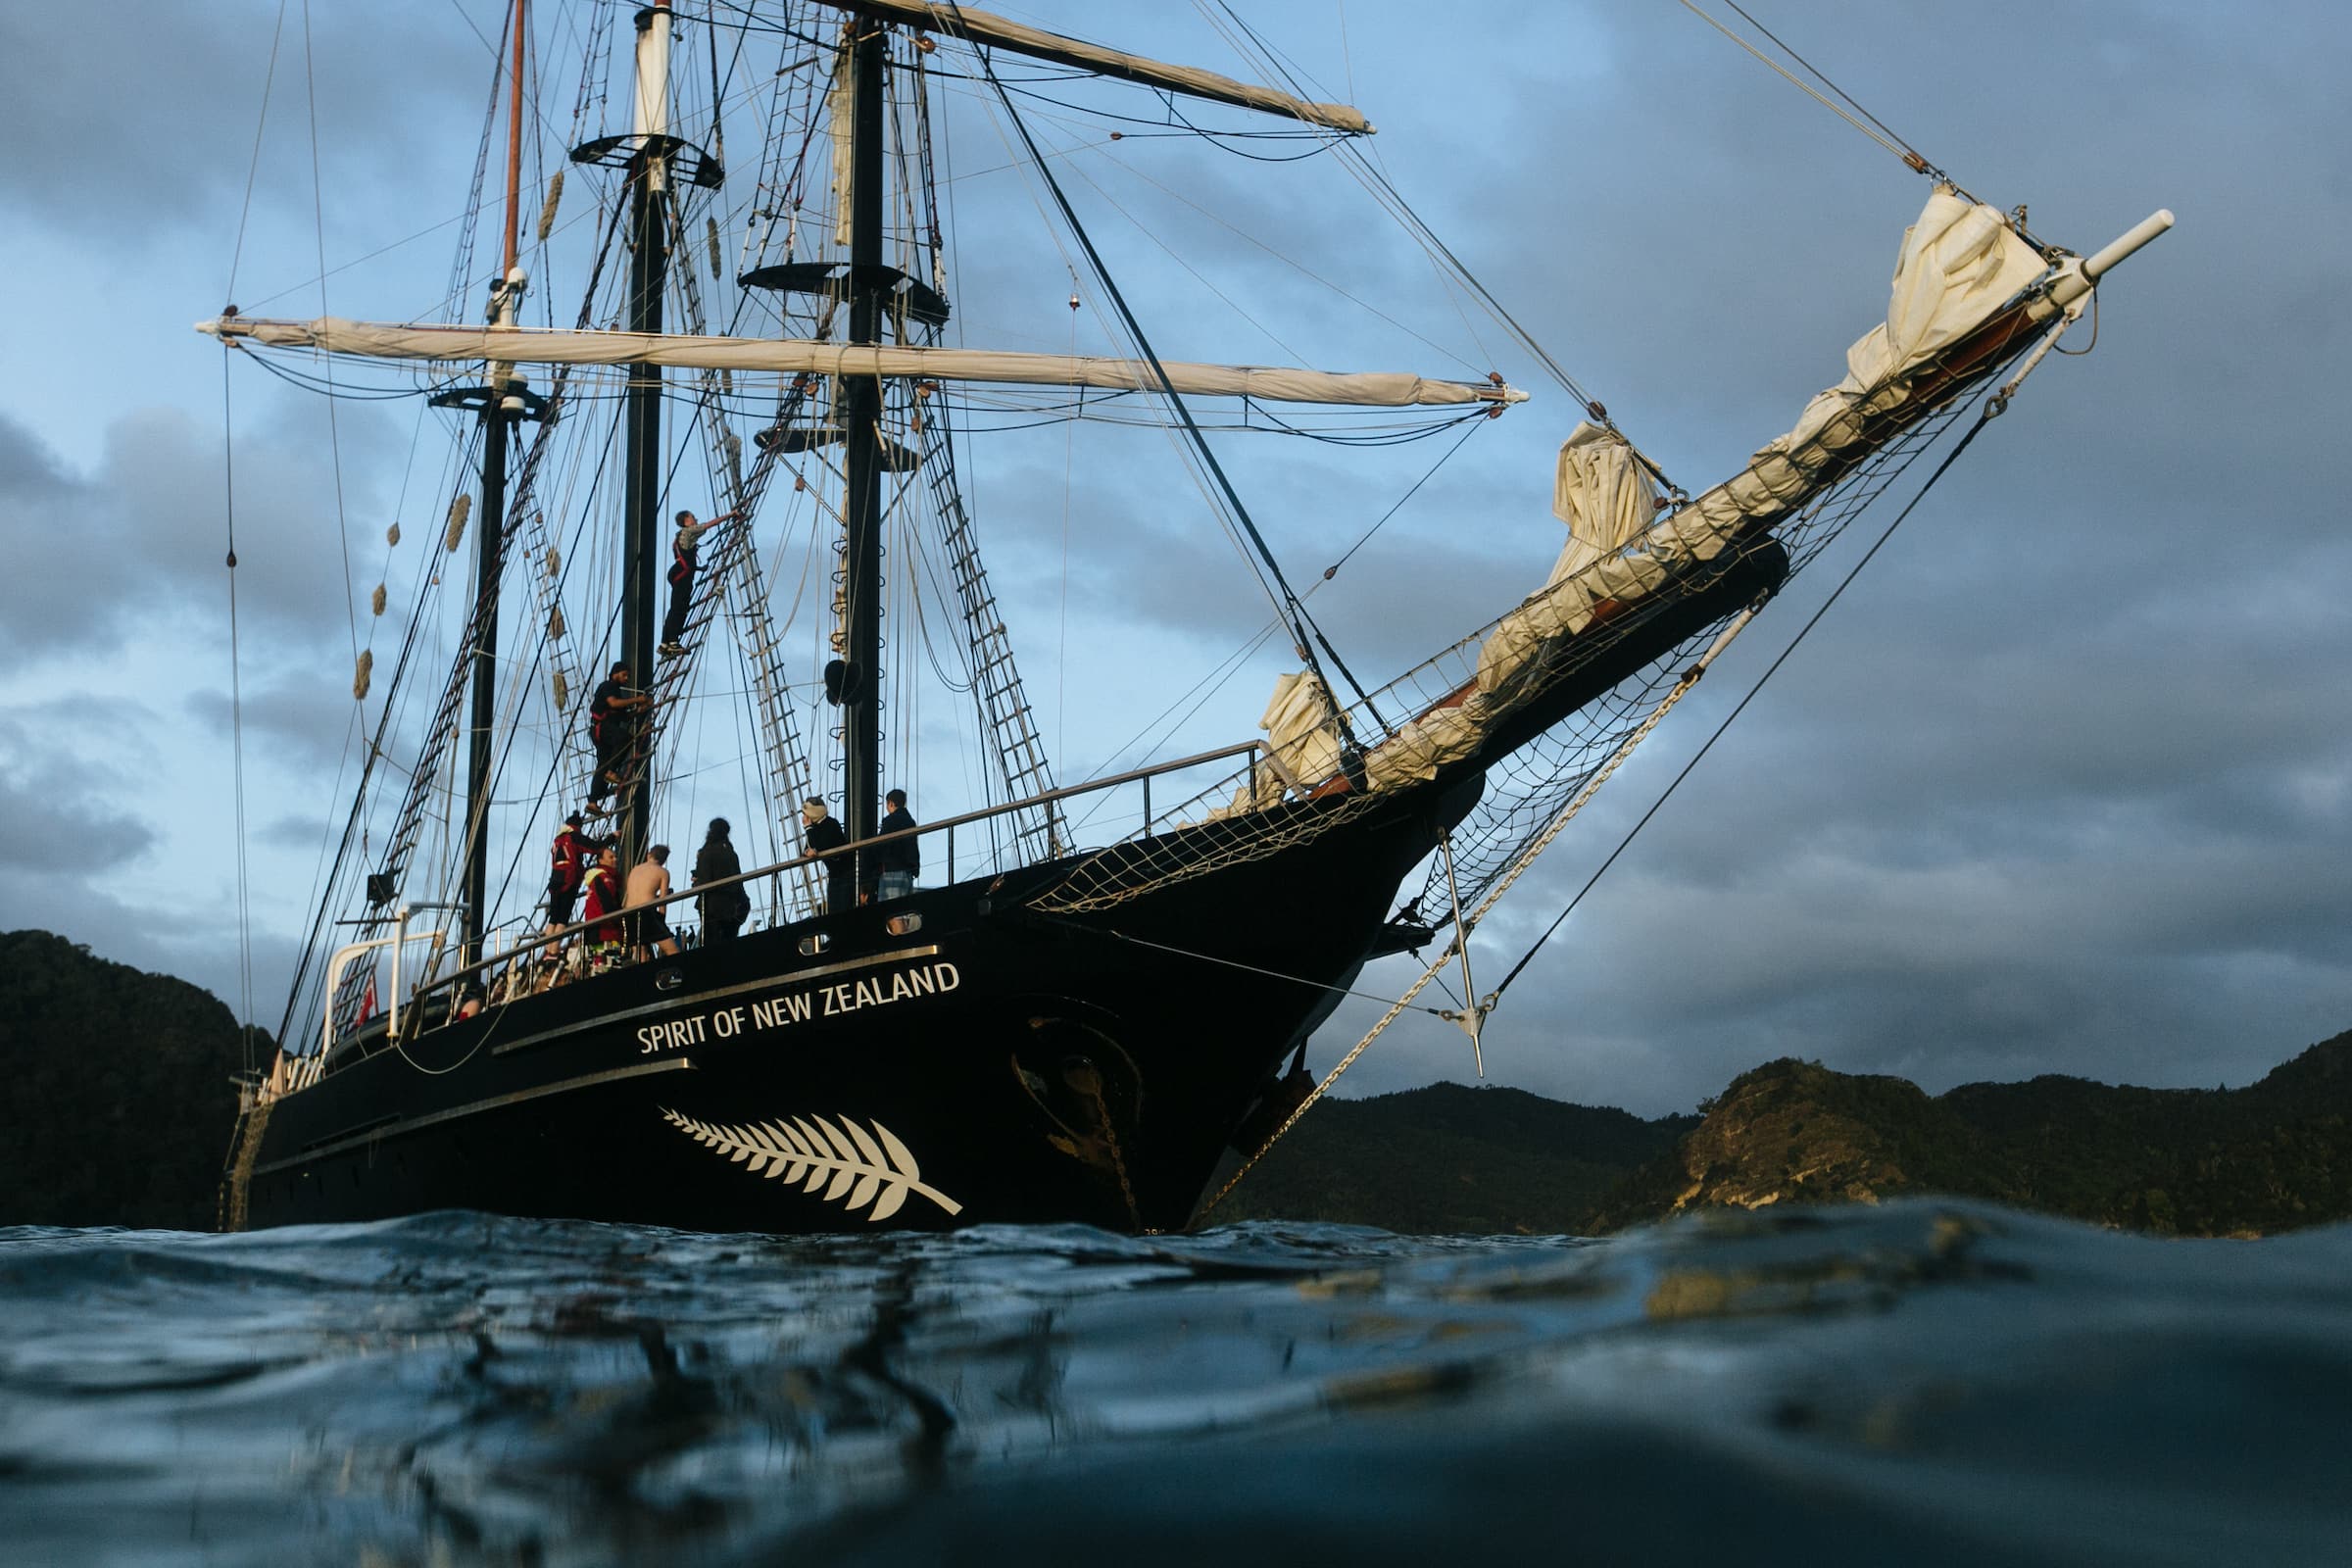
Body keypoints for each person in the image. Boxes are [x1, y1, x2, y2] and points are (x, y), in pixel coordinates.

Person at [660, 507, 741, 656]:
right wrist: (730, 515)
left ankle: (665, 642)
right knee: (680, 608)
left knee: (675, 607)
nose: (695, 519)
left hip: (678, 573)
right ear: (686, 521)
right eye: (693, 517)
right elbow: (709, 524)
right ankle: (672, 642)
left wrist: (699, 569)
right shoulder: (689, 531)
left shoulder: (679, 536)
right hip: (683, 575)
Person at [586, 662, 652, 813]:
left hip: (601, 730)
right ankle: (611, 771)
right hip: (602, 728)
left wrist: (639, 710)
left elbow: (624, 716)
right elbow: (614, 703)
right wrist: (638, 700)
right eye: (624, 675)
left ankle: (593, 801)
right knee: (626, 739)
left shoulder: (617, 692)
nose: (626, 678)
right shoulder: (608, 686)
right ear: (615, 673)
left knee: (602, 764)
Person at [693, 816, 751, 944]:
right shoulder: (731, 852)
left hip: (712, 907)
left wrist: (696, 882)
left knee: (712, 944)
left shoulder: (706, 852)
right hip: (735, 905)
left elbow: (704, 881)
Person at [545, 811, 601, 935]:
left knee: (553, 918)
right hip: (569, 879)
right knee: (563, 918)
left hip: (555, 879)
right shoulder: (574, 837)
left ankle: (548, 948)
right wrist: (612, 837)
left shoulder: (558, 840)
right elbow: (595, 847)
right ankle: (554, 949)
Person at [625, 844, 681, 958]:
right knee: (673, 950)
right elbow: (663, 901)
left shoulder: (635, 869)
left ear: (649, 855)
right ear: (664, 860)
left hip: (629, 914)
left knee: (641, 954)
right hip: (647, 913)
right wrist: (662, 920)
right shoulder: (662, 872)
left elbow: (639, 893)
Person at [800, 797, 851, 913]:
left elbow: (822, 845)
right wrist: (807, 852)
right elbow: (807, 848)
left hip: (846, 873)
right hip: (834, 875)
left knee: (845, 910)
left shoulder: (831, 824)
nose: (805, 818)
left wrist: (808, 828)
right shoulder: (814, 829)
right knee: (833, 911)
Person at [580, 844, 625, 956]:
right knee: (610, 962)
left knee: (599, 963)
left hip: (596, 930)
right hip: (606, 931)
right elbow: (608, 903)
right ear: (600, 860)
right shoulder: (605, 878)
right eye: (611, 857)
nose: (615, 859)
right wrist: (617, 922)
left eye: (615, 857)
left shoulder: (597, 878)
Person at [876, 787, 918, 901]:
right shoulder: (910, 821)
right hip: (908, 873)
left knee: (890, 911)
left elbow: (881, 845)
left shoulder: (890, 821)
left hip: (892, 871)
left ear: (891, 803)